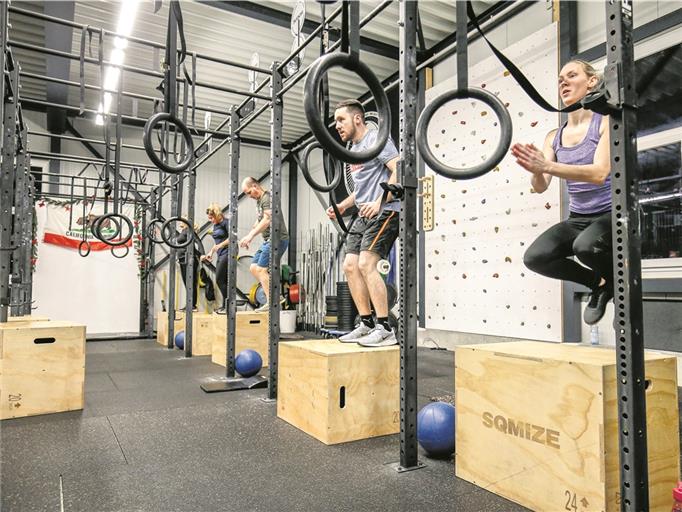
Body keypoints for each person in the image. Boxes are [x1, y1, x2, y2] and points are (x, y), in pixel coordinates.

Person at [512, 60, 613, 325]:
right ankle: (599, 283)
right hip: (578, 218)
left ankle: (615, 280)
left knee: (585, 247)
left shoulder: (605, 123)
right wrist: (536, 168)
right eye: (560, 79)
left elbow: (600, 172)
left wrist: (547, 165)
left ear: (591, 81)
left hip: (610, 214)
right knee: (535, 257)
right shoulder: (553, 137)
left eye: (571, 75)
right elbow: (540, 185)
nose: (563, 82)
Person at [326, 99, 400, 347]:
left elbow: (397, 168)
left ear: (357, 118)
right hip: (363, 212)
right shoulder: (352, 150)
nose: (337, 126)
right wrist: (344, 205)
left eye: (341, 120)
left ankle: (385, 328)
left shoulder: (376, 140)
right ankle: (366, 323)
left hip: (386, 209)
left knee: (367, 263)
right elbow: (361, 189)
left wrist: (380, 201)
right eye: (336, 121)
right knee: (349, 265)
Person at [239, 178, 290, 312]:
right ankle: (276, 296)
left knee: (261, 270)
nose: (249, 196)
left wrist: (250, 236)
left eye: (249, 192)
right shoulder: (259, 201)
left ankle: (272, 300)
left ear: (255, 186)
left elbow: (267, 220)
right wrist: (248, 236)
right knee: (254, 267)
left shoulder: (267, 198)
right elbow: (259, 221)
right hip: (268, 240)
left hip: (277, 239)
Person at [200, 204, 230, 314]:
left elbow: (232, 238)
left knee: (219, 279)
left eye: (211, 218)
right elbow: (216, 243)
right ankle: (226, 305)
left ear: (217, 215)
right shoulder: (216, 225)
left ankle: (228, 305)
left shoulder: (226, 223)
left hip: (228, 252)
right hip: (220, 253)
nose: (211, 220)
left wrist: (220, 245)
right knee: (223, 280)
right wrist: (211, 252)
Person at [176, 223, 204, 311]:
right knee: (186, 283)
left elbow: (198, 241)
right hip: (182, 260)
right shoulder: (183, 231)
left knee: (190, 282)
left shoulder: (188, 230)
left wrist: (202, 254)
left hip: (189, 260)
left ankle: (192, 305)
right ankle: (190, 303)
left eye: (181, 220)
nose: (179, 222)